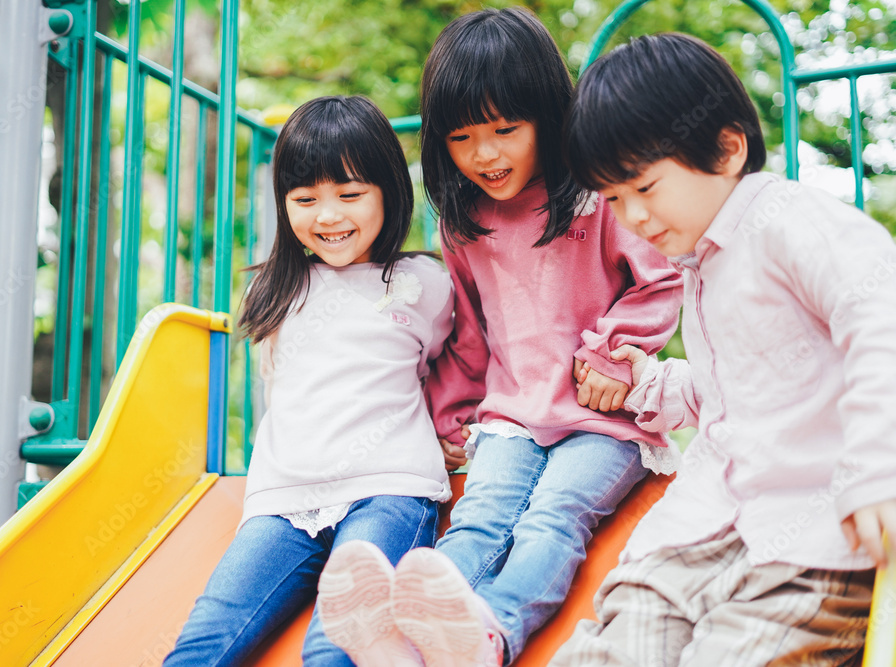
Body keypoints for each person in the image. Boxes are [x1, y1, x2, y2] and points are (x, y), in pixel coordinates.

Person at [319, 9, 684, 666]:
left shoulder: (598, 195)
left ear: (548, 115)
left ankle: (492, 632)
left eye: (505, 130)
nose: (484, 155)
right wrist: (447, 416)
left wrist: (612, 354)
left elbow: (660, 281)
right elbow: (470, 332)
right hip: (512, 416)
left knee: (554, 513)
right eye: (462, 137)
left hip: (604, 420)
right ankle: (406, 643)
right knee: (480, 516)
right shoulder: (464, 221)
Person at [549, 32, 896, 666]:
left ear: (728, 148)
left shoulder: (790, 222)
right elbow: (740, 387)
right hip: (706, 527)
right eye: (615, 199)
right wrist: (652, 384)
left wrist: (879, 470)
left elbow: (882, 321)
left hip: (812, 539)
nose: (633, 218)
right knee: (619, 637)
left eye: (645, 187)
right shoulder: (702, 260)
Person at [163, 95, 454, 667]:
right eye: (305, 199)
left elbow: (453, 368)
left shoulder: (423, 283)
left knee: (335, 645)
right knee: (203, 643)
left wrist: (447, 429)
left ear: (389, 192)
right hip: (284, 501)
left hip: (388, 490)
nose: (328, 216)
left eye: (350, 194)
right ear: (284, 204)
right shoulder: (274, 290)